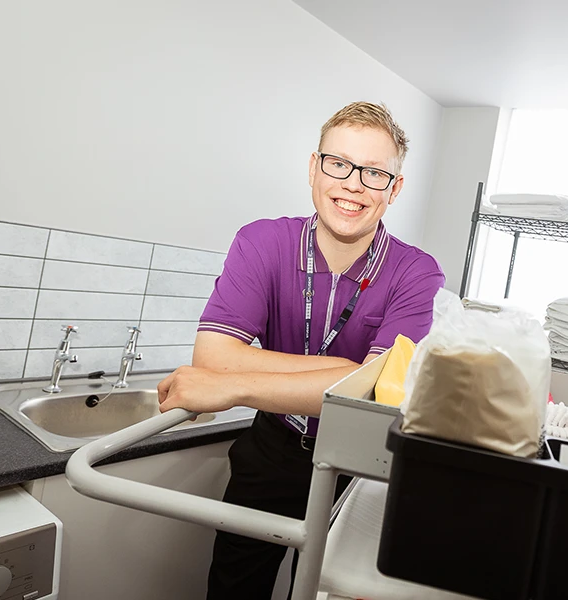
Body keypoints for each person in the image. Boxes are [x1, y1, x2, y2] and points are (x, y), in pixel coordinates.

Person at [156, 101, 445, 599]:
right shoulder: (262, 241)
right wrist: (350, 371)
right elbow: (213, 358)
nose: (353, 184)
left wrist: (233, 387)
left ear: (394, 189)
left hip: (360, 468)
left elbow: (376, 392)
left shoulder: (417, 273)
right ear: (314, 168)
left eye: (375, 173)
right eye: (339, 164)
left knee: (326, 594)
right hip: (272, 451)